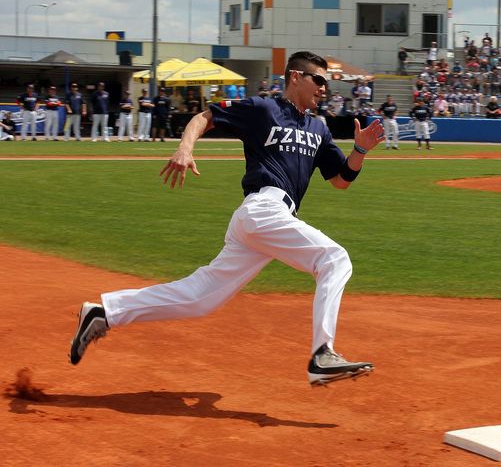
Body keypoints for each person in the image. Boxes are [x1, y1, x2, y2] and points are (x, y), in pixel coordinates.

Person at [69, 51, 383, 386]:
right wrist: (185, 148)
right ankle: (323, 353)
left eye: (327, 82)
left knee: (199, 297)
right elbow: (206, 116)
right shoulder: (264, 108)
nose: (324, 88)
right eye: (318, 79)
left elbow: (340, 180)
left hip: (266, 221)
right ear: (295, 77)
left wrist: (360, 151)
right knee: (335, 259)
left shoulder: (318, 129)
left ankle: (105, 312)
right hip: (263, 209)